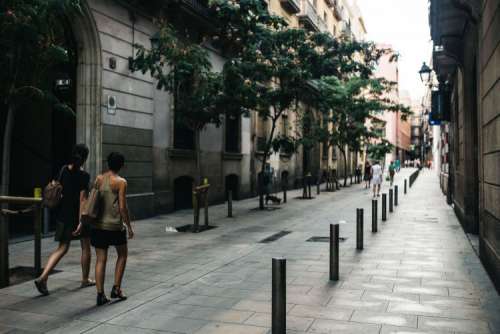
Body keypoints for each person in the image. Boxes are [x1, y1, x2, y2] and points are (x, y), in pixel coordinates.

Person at [35, 144, 94, 295]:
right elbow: (82, 200)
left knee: (62, 248)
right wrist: (81, 221)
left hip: (63, 214)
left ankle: (43, 276)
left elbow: (58, 189)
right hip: (77, 215)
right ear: (85, 158)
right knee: (86, 246)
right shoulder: (84, 176)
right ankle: (85, 279)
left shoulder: (63, 170)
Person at [91, 152, 134, 306]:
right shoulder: (121, 182)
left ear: (108, 164)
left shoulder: (99, 179)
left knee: (100, 259)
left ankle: (100, 294)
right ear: (121, 165)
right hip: (115, 226)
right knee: (122, 254)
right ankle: (116, 288)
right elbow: (122, 207)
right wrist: (129, 226)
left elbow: (92, 200)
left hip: (97, 226)